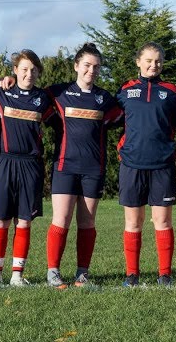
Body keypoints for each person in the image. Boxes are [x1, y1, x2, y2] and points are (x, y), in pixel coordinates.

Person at [41, 43, 122, 288]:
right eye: (87, 65)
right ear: (76, 66)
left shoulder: (105, 99)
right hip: (65, 166)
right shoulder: (57, 93)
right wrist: (7, 81)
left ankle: (82, 274)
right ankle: (53, 271)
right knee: (61, 219)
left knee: (87, 222)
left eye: (96, 67)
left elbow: (127, 117)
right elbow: (29, 94)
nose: (91, 70)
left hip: (93, 168)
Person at [116, 42, 176, 287]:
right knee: (133, 223)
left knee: (163, 222)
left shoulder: (170, 91)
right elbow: (105, 118)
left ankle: (165, 275)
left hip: (162, 166)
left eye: (157, 61)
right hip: (132, 165)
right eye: (148, 60)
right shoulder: (125, 90)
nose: (153, 65)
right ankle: (132, 275)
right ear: (138, 61)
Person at [0, 49, 57, 288]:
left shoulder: (44, 99)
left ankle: (16, 275)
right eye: (24, 69)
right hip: (5, 162)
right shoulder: (1, 92)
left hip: (31, 165)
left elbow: (61, 122)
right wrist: (3, 79)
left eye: (33, 70)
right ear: (15, 70)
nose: (29, 73)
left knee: (23, 222)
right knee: (0, 220)